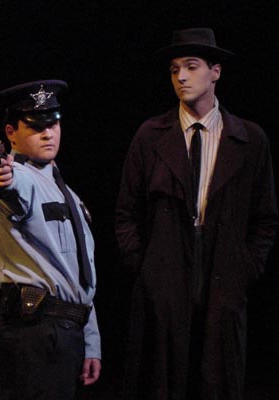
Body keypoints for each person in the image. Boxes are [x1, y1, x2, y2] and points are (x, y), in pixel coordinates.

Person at [115, 28, 278, 400]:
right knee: (164, 378)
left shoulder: (249, 139)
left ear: (215, 72)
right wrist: (145, 267)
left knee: (217, 378)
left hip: (222, 274)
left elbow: (265, 217)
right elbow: (126, 212)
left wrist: (245, 268)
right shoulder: (151, 136)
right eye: (174, 69)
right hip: (166, 276)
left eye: (191, 67)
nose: (181, 77)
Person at [0, 80, 101, 399]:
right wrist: (2, 177)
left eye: (53, 124)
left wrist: (91, 340)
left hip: (67, 329)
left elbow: (79, 273)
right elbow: (10, 189)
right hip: (34, 330)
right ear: (11, 133)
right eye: (36, 126)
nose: (48, 133)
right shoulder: (19, 176)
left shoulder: (68, 193)